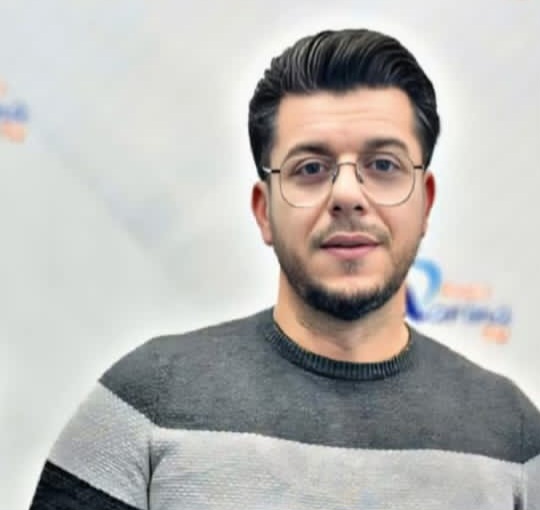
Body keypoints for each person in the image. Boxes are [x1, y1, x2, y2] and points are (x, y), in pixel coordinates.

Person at [29, 28, 540, 510]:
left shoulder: (514, 439)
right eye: (310, 169)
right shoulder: (143, 407)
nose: (346, 195)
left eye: (383, 165)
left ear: (425, 203)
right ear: (264, 211)